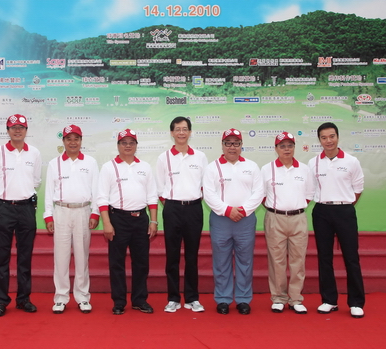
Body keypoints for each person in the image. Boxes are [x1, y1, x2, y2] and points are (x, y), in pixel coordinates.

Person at [0, 114, 42, 317]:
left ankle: (24, 299)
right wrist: (2, 193)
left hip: (26, 209)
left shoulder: (34, 153)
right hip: (4, 209)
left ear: (26, 130)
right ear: (7, 130)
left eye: (21, 127)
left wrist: (22, 192)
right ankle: (1, 300)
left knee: (25, 257)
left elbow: (36, 181)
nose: (17, 130)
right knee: (2, 256)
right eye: (13, 127)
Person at [96, 129, 158, 315]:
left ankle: (139, 300)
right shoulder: (109, 167)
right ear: (118, 145)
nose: (128, 146)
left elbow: (152, 196)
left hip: (141, 219)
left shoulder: (145, 167)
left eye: (132, 142)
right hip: (118, 220)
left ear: (136, 145)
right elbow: (102, 197)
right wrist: (107, 223)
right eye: (124, 142)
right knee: (117, 263)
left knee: (141, 262)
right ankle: (119, 301)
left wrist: (154, 221)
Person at [203, 128, 264, 315]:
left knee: (245, 261)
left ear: (241, 145)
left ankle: (243, 299)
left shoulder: (252, 166)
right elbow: (208, 194)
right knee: (221, 261)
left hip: (245, 220)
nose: (232, 147)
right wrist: (228, 210)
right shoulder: (212, 168)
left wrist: (243, 210)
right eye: (228, 143)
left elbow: (259, 192)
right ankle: (223, 298)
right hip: (221, 219)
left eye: (236, 143)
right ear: (222, 145)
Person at [308, 122, 365, 319]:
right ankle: (329, 300)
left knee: (351, 257)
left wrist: (344, 204)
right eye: (324, 138)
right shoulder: (313, 163)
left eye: (331, 136)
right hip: (321, 211)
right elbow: (310, 188)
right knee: (324, 258)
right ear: (319, 140)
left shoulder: (351, 161)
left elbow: (358, 188)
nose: (328, 141)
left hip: (345, 211)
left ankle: (356, 302)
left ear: (338, 137)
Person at [43, 125, 100, 315]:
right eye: (69, 139)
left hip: (83, 211)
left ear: (81, 140)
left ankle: (83, 296)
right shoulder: (54, 164)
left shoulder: (90, 162)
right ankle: (61, 297)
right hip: (61, 211)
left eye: (76, 139)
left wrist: (95, 213)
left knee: (82, 256)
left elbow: (96, 190)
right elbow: (48, 192)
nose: (73, 142)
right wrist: (48, 215)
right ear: (63, 141)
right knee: (61, 257)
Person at [156, 116, 208, 313]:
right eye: (177, 129)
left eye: (185, 129)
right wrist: (172, 205)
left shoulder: (200, 157)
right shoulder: (164, 158)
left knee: (192, 256)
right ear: (172, 133)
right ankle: (173, 298)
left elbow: (205, 185)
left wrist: (191, 202)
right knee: (172, 256)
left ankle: (192, 298)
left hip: (194, 209)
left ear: (190, 132)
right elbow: (160, 187)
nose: (181, 132)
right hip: (172, 209)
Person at [261, 132, 315, 314]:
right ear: (276, 148)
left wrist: (294, 207)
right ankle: (278, 297)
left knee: (298, 260)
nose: (286, 149)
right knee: (276, 261)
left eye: (290, 145)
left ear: (294, 148)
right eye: (282, 146)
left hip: (298, 218)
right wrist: (278, 209)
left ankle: (295, 298)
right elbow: (262, 196)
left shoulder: (304, 169)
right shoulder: (266, 169)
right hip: (275, 218)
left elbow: (309, 194)